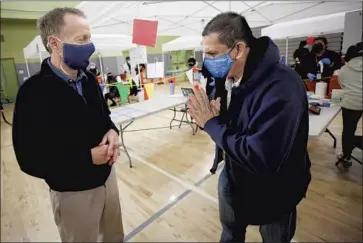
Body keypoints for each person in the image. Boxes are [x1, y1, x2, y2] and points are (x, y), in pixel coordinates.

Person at [187, 12, 311, 243]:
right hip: (234, 176)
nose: (208, 62)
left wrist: (211, 124)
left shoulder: (283, 86)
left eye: (213, 54)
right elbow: (220, 121)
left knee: (274, 237)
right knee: (231, 234)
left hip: (276, 190)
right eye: (206, 55)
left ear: (239, 49)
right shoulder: (224, 77)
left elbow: (262, 156)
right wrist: (210, 118)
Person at [12, 7, 124, 242]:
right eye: (81, 39)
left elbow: (105, 118)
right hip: (73, 193)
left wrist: (112, 131)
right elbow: (29, 158)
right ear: (55, 43)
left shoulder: (90, 80)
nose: (89, 45)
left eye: (89, 38)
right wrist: (87, 158)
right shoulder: (33, 93)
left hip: (107, 180)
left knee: (114, 237)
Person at [337, 42, 363, 167]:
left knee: (348, 130)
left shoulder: (345, 69)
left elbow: (342, 85)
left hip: (351, 102)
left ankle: (346, 156)